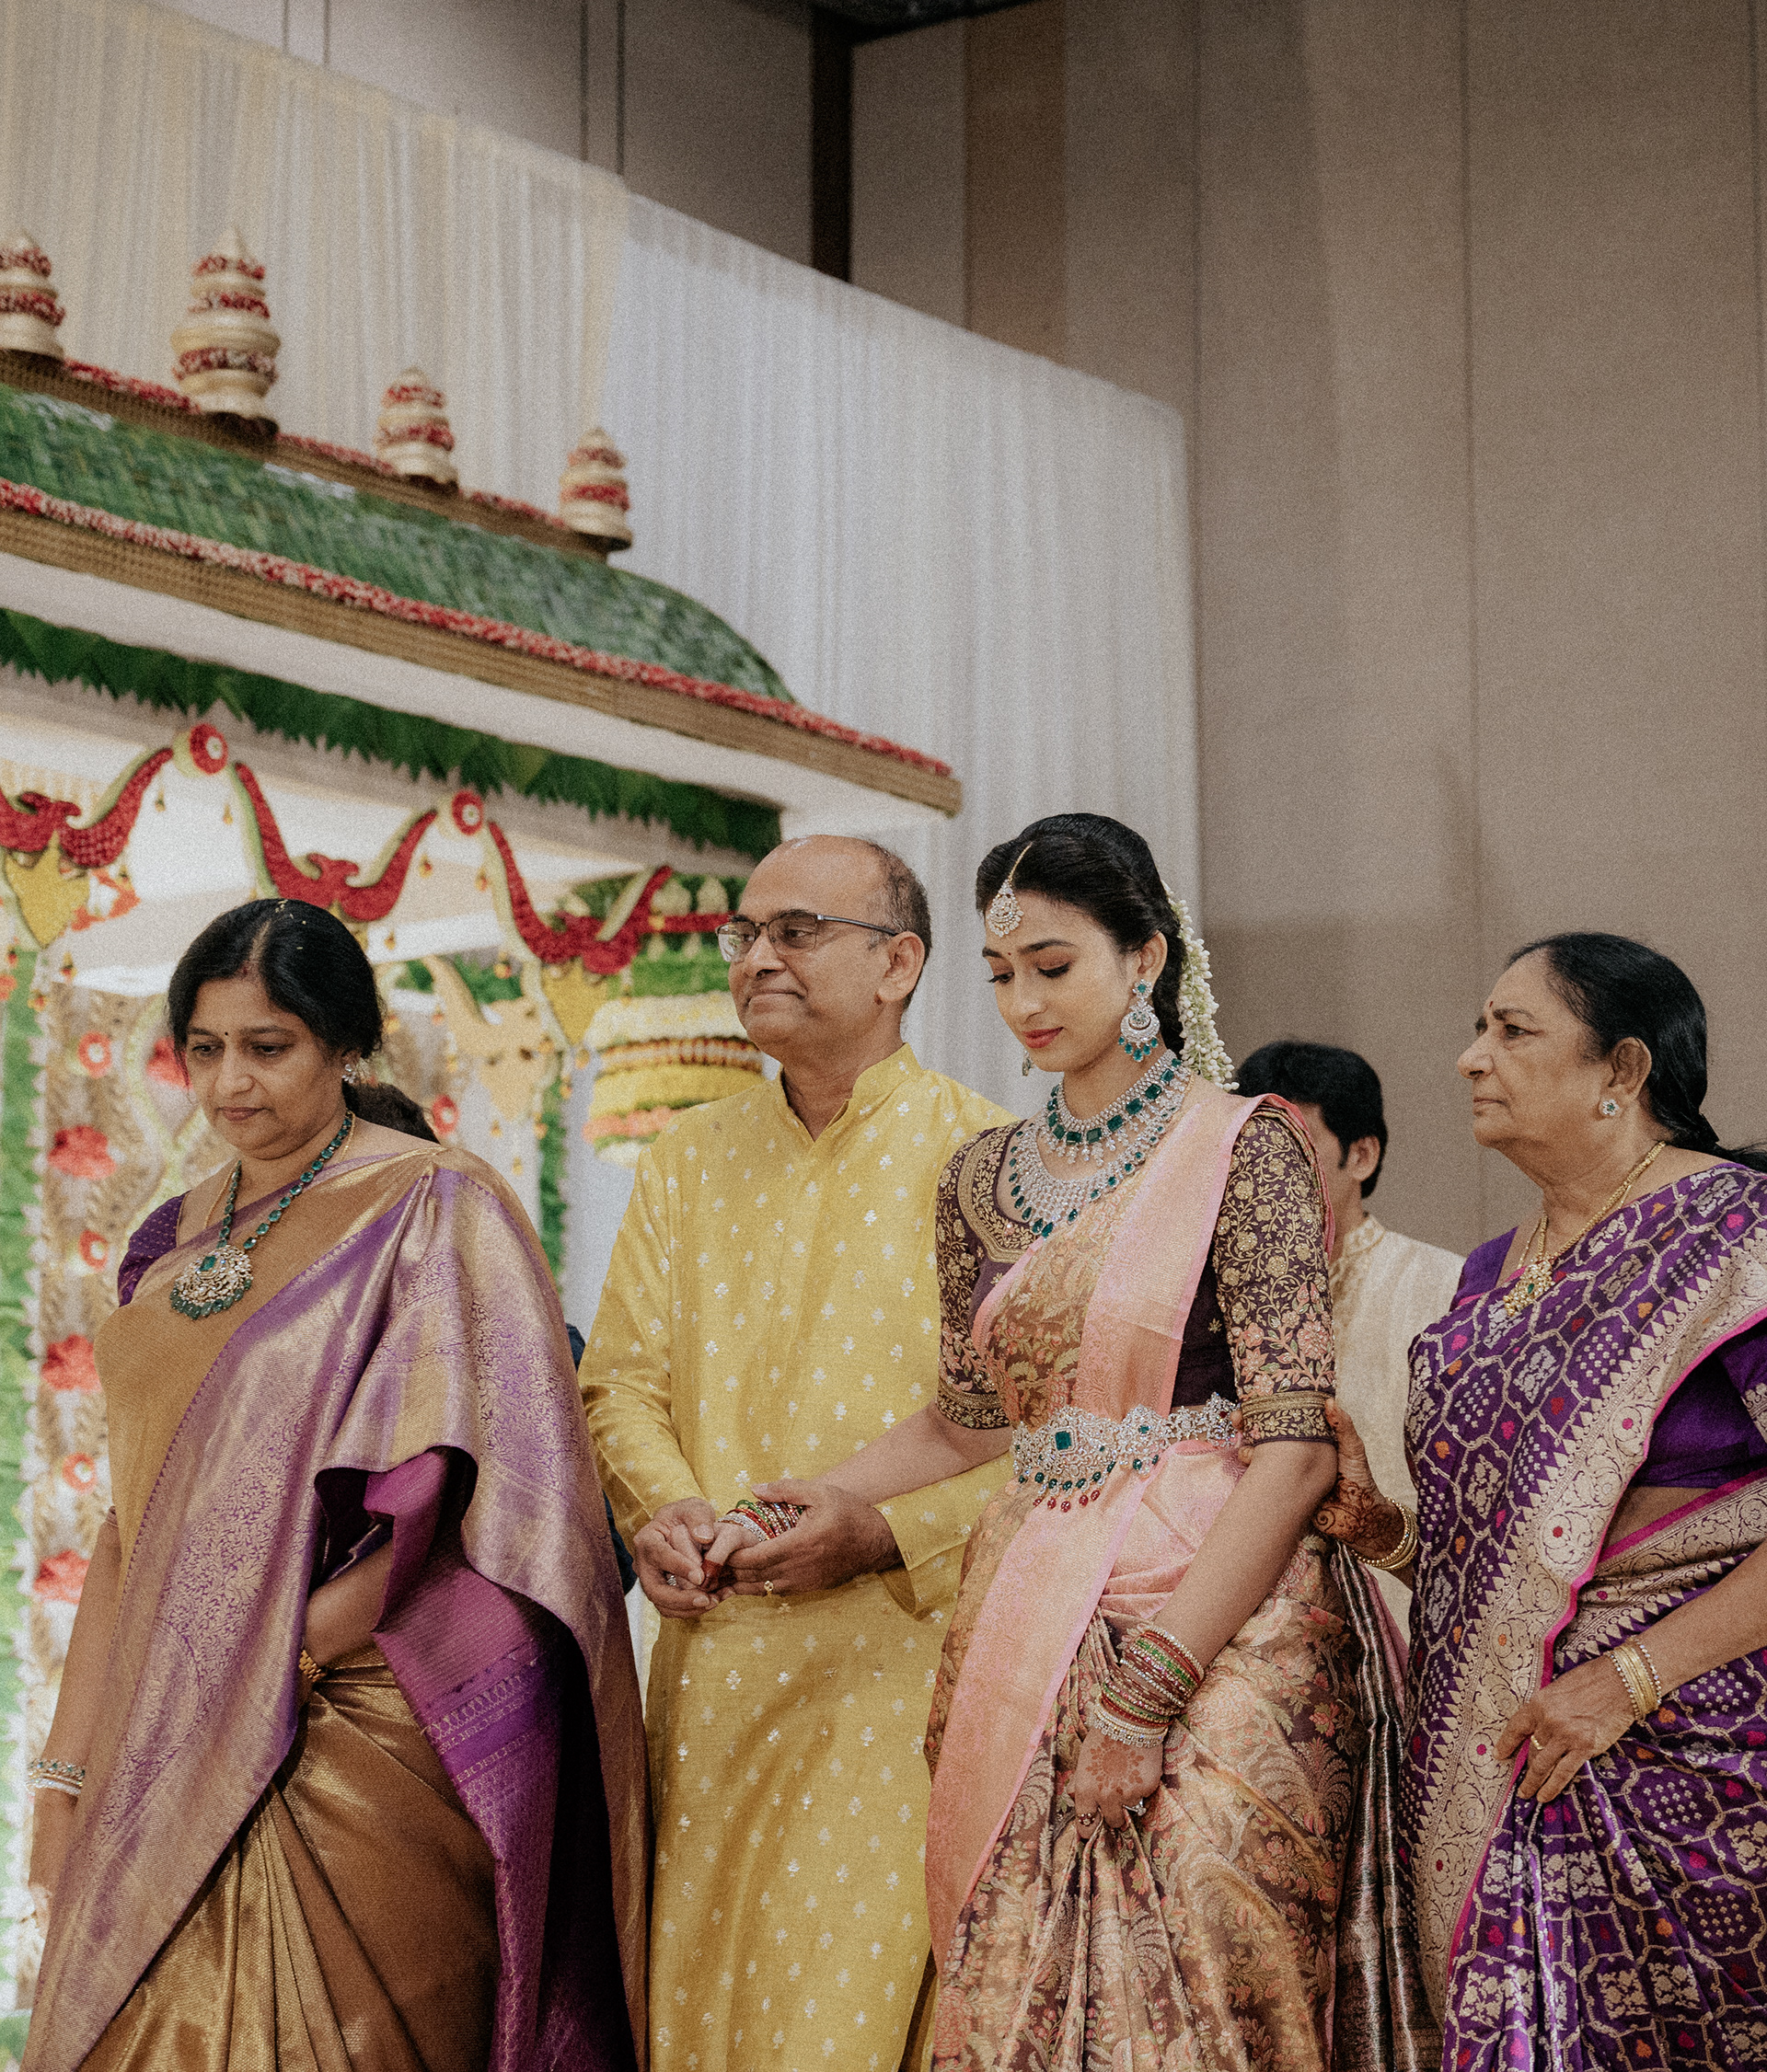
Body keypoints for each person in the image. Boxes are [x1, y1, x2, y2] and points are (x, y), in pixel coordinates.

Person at [704, 815, 1422, 2072]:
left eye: (1053, 965)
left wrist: (1152, 1685)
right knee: (1008, 1955)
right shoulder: (981, 1178)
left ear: (1144, 959)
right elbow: (966, 1418)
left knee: (1213, 1936)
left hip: (1223, 1604)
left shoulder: (1242, 1145)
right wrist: (801, 1494)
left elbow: (1298, 1450)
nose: (1023, 1003)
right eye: (1000, 973)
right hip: (1030, 1602)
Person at [24, 899, 646, 2072]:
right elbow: (128, 1528)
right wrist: (64, 1777)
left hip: (353, 1727)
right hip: (171, 1717)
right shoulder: (166, 1241)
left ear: (347, 1043)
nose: (231, 1083)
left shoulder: (437, 1204)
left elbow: (477, 1503)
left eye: (270, 1046)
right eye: (205, 1047)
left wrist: (278, 1653)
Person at [579, 835, 1014, 2072]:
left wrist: (884, 1531)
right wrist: (666, 1511)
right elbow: (621, 1380)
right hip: (712, 1669)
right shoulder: (687, 1159)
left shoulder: (990, 1164)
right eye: (745, 934)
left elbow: (1051, 1437)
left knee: (848, 2025)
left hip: (902, 1671)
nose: (758, 957)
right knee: (699, 2017)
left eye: (798, 930)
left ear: (898, 963)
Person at [1313, 932, 1767, 2071]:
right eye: (1479, 1028)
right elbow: (1498, 1566)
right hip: (1495, 1760)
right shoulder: (1486, 1277)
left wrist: (1628, 1678)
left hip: (1686, 1766)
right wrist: (1383, 1528)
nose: (1472, 1056)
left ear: (1623, 1068)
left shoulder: (1735, 1235)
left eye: (1513, 1031)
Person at [1238, 1041, 1461, 1618]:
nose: (1265, 1180)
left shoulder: (1450, 1291)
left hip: (1408, 1613)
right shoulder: (1207, 1303)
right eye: (1248, 1156)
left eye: (1292, 1155)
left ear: (1360, 1156)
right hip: (1250, 1623)